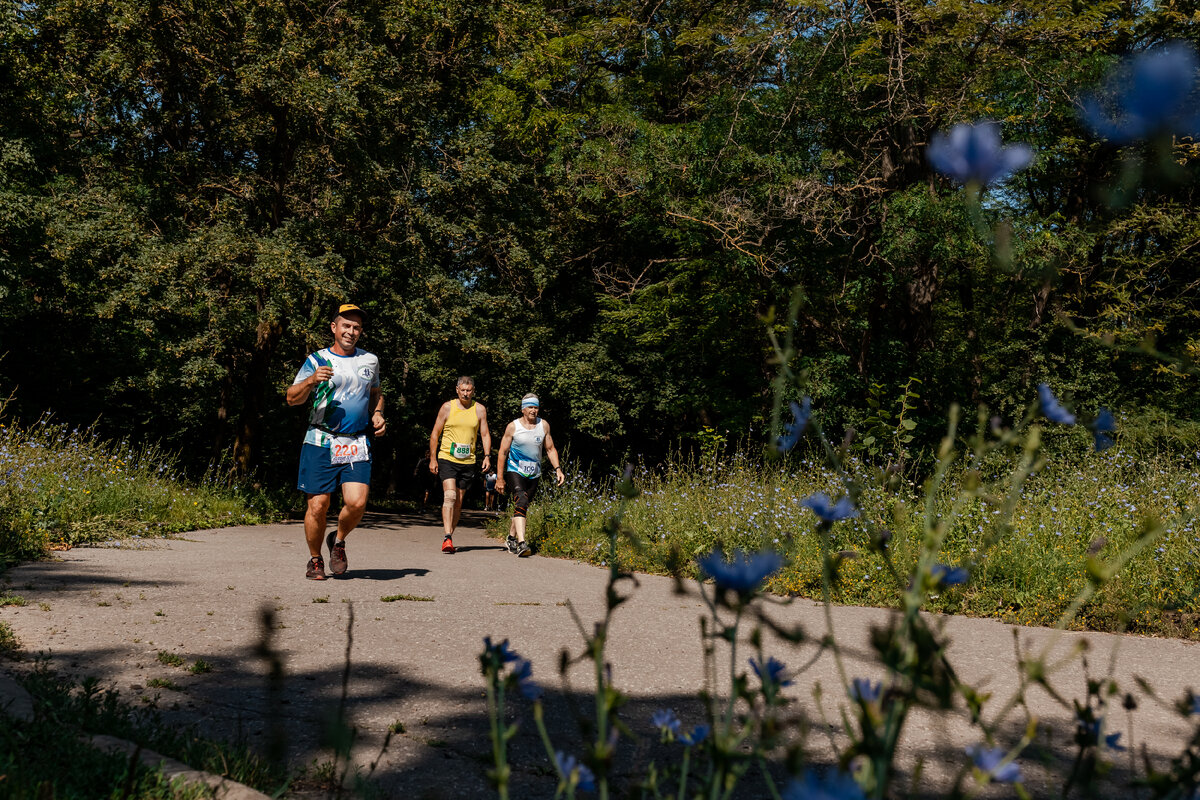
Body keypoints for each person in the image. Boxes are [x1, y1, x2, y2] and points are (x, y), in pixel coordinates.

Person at [286, 303, 385, 580]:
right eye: (346, 326)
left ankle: (338, 541)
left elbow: (376, 393)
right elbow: (291, 398)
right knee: (318, 505)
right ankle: (315, 560)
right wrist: (310, 382)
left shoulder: (370, 360)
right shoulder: (316, 360)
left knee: (357, 503)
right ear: (334, 327)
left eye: (356, 327)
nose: (351, 331)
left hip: (355, 442)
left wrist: (377, 414)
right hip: (320, 440)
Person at [495, 394, 564, 557]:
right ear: (523, 409)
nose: (534, 410)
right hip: (515, 470)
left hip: (534, 473)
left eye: (536, 407)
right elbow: (503, 452)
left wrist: (558, 469)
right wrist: (499, 477)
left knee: (522, 506)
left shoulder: (543, 425)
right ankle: (522, 543)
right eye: (530, 407)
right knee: (522, 499)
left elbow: (550, 449)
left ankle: (511, 538)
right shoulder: (513, 426)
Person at [428, 376, 491, 554]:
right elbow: (435, 434)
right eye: (462, 390)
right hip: (447, 457)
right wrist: (433, 458)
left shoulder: (479, 410)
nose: (465, 393)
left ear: (473, 390)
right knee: (449, 496)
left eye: (469, 390)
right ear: (457, 390)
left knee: (458, 501)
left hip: (468, 461)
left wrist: (487, 456)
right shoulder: (447, 407)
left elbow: (485, 434)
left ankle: (450, 535)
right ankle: (447, 537)